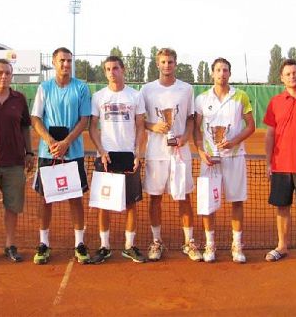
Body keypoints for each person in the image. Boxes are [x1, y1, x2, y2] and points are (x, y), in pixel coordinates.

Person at [140, 47, 202, 262]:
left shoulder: (186, 89)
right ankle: (156, 241)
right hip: (156, 153)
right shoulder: (146, 90)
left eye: (170, 62)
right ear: (158, 64)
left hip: (180, 152)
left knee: (184, 198)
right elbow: (140, 121)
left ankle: (189, 242)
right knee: (155, 198)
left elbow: (192, 118)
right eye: (163, 62)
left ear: (176, 64)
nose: (167, 65)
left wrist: (186, 135)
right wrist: (152, 126)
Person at [31, 47, 91, 265]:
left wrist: (66, 142)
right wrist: (50, 142)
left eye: (69, 60)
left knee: (75, 198)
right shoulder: (44, 88)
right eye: (62, 60)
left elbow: (84, 119)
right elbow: (36, 118)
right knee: (46, 199)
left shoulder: (81, 88)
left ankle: (79, 243)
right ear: (54, 63)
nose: (66, 64)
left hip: (73, 153)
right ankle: (44, 243)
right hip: (49, 154)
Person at [194, 57, 255, 263]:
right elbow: (196, 129)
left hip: (235, 157)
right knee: (207, 203)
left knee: (236, 201)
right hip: (210, 160)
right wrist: (201, 153)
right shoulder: (201, 99)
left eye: (225, 70)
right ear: (212, 73)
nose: (222, 73)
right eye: (218, 70)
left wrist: (234, 141)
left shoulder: (241, 96)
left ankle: (237, 246)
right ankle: (210, 245)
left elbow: (250, 126)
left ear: (230, 73)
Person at [89, 55, 146, 263]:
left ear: (123, 70)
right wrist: (101, 151)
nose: (112, 72)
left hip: (129, 156)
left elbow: (140, 126)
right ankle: (104, 246)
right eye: (108, 69)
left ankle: (129, 246)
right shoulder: (98, 97)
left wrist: (138, 152)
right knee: (104, 203)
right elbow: (93, 127)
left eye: (115, 68)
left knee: (131, 203)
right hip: (106, 157)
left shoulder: (135, 96)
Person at [0, 58, 33, 265]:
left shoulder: (19, 99)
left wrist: (29, 153)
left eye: (7, 73)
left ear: (12, 76)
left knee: (12, 208)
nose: (4, 76)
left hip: (14, 164)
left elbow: (25, 127)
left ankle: (10, 245)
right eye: (0, 73)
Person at [264, 59, 296, 261]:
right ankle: (282, 246)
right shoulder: (275, 102)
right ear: (282, 78)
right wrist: (269, 162)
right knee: (282, 207)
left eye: (295, 72)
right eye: (288, 73)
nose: (292, 76)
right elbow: (270, 134)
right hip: (281, 165)